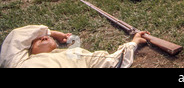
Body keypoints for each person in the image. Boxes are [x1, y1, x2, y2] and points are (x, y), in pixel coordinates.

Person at [0, 25, 149, 68]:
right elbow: (17, 36)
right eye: (37, 40)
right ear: (29, 50)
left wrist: (133, 42)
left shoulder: (75, 55)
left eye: (46, 37)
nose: (43, 37)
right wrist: (53, 33)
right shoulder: (17, 62)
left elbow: (113, 61)